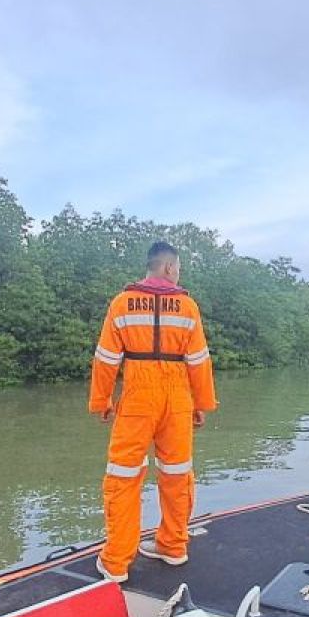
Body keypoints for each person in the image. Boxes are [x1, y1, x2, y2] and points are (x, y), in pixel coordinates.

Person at [89, 241, 217, 582]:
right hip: (176, 400)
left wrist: (101, 401)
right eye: (179, 269)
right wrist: (201, 404)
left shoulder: (122, 303)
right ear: (169, 268)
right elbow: (199, 361)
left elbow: (105, 359)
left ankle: (116, 562)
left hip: (136, 398)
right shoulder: (188, 307)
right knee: (176, 475)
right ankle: (174, 546)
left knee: (124, 477)